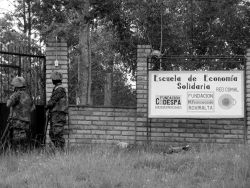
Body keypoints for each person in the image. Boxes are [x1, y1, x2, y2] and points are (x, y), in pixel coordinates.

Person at [6, 76, 33, 151]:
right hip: (26, 122)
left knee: (17, 141)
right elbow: (33, 108)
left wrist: (11, 96)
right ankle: (23, 156)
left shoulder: (17, 94)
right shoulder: (28, 95)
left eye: (13, 85)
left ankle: (18, 156)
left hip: (17, 121)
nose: (13, 87)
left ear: (16, 86)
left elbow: (8, 104)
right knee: (23, 140)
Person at [46, 71, 68, 150]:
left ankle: (61, 152)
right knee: (52, 134)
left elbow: (53, 101)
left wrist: (47, 106)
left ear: (55, 79)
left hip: (58, 115)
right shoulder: (57, 89)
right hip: (55, 115)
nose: (52, 80)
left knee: (57, 134)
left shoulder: (60, 89)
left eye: (52, 79)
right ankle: (58, 151)